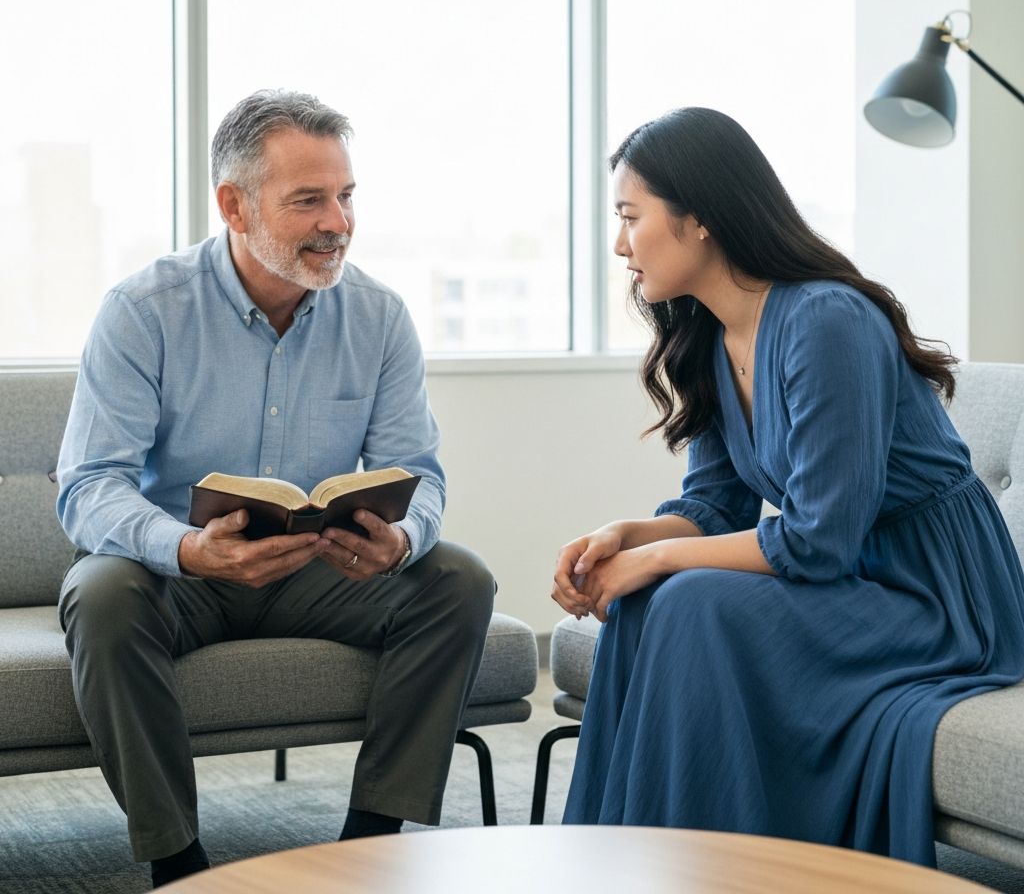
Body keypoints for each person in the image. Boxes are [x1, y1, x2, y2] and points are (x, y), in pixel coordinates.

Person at [551, 107, 1024, 865]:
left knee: (690, 600)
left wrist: (662, 561)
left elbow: (817, 540)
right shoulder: (704, 331)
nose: (619, 245)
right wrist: (628, 539)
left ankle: (727, 867)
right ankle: (632, 866)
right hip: (851, 579)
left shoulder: (825, 320)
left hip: (936, 594)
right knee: (649, 600)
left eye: (630, 218)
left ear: (698, 218)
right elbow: (713, 508)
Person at [57, 89, 495, 888]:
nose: (338, 221)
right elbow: (88, 487)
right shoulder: (142, 311)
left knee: (458, 579)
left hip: (317, 575)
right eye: (308, 201)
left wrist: (401, 538)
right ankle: (178, 863)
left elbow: (420, 472)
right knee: (99, 592)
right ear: (233, 204)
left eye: (346, 196)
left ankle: (367, 844)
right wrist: (186, 549)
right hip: (179, 576)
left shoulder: (378, 316)